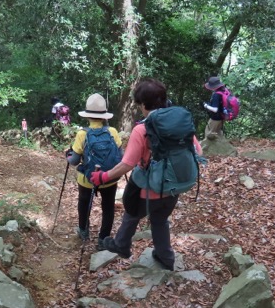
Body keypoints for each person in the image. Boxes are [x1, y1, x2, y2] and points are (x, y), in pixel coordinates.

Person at [91, 78, 201, 271]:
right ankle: (165, 258)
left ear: (143, 104)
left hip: (148, 191)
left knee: (132, 214)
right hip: (173, 187)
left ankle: (122, 245)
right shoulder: (178, 124)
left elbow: (127, 164)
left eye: (139, 104)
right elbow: (198, 152)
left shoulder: (142, 129)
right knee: (160, 221)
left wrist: (103, 177)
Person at [65, 93, 122, 249]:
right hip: (109, 177)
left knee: (84, 203)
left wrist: (68, 156)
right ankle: (103, 239)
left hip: (87, 179)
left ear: (87, 116)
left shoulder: (82, 134)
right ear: (104, 116)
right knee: (108, 207)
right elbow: (120, 155)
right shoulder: (112, 131)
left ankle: (83, 231)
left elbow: (75, 161)